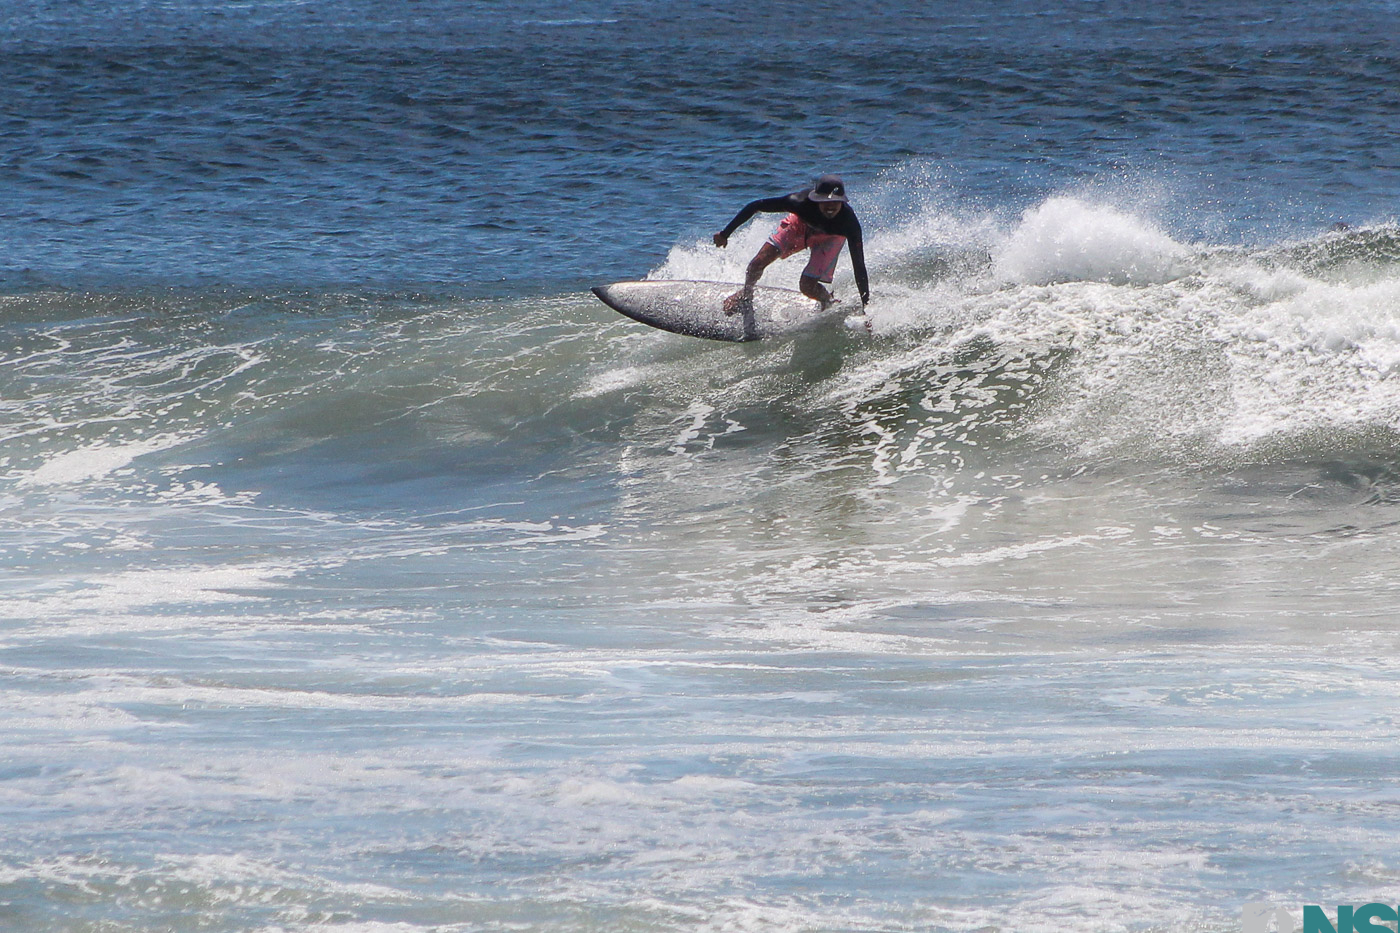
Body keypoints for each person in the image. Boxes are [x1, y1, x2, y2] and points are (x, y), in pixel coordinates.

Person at [712, 174, 870, 316]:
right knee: (756, 264)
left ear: (842, 201)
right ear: (816, 199)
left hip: (831, 239)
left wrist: (866, 308)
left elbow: (859, 267)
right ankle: (746, 295)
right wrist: (725, 234)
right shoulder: (799, 203)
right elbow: (756, 206)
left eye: (835, 202)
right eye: (825, 201)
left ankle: (827, 300)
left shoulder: (849, 224)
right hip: (800, 226)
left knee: (806, 286)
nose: (830, 206)